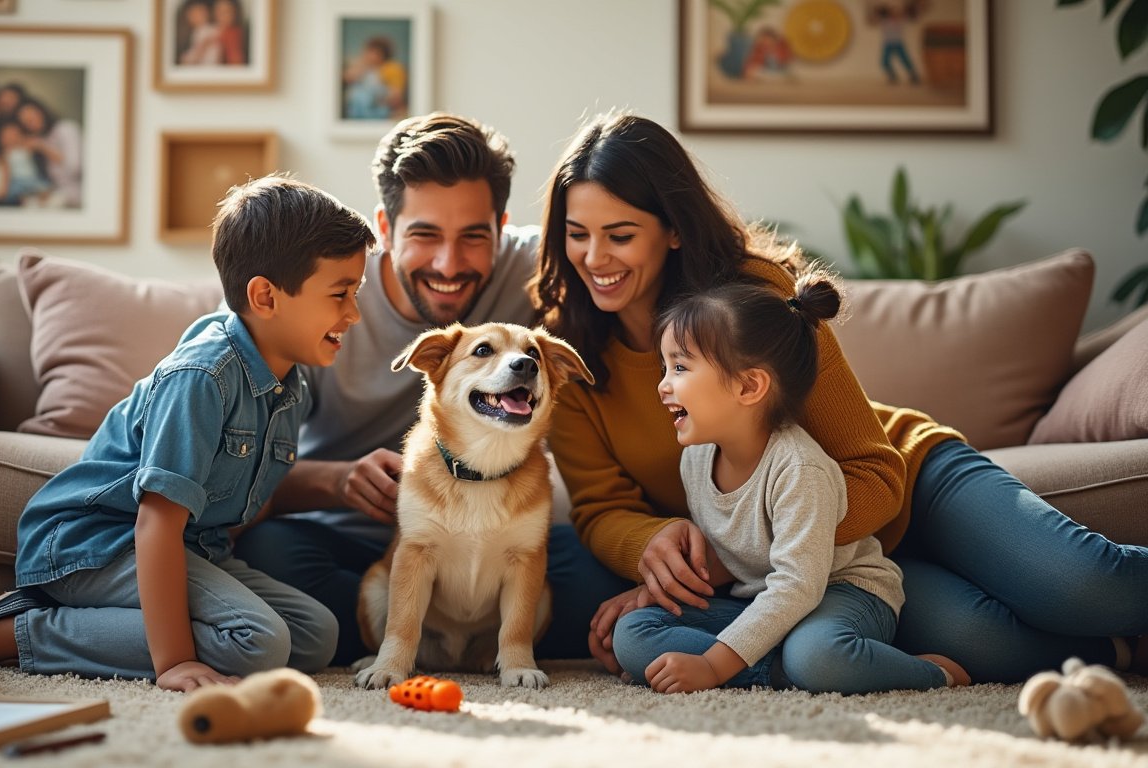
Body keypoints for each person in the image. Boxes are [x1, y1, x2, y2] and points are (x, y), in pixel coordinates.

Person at [532, 111, 1148, 686]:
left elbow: (871, 465)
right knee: (974, 637)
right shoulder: (565, 353)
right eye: (576, 234)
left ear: (671, 230)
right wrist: (655, 551)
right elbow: (599, 506)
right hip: (825, 567)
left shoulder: (752, 297)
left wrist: (738, 552)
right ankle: (1114, 654)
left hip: (904, 482)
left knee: (1085, 587)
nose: (594, 257)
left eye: (619, 234)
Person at [233, 112, 634, 668]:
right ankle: (400, 633)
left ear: (502, 226)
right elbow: (231, 465)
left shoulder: (541, 267)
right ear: (385, 227)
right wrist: (336, 481)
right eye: (424, 235)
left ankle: (474, 642)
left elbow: (627, 255)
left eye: (474, 237)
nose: (450, 264)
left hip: (497, 536)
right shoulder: (322, 297)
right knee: (270, 555)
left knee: (597, 587)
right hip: (347, 535)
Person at [0, 176, 375, 692]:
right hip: (98, 544)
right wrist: (174, 660)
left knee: (315, 634)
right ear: (265, 296)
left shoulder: (293, 387)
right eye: (340, 294)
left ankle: (107, 620)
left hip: (194, 549)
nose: (353, 313)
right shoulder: (202, 378)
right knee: (258, 643)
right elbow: (155, 524)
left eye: (355, 292)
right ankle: (9, 633)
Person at [613, 273, 968, 694]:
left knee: (819, 657)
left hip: (843, 592)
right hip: (762, 598)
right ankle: (786, 669)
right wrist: (659, 592)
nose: (663, 384)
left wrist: (710, 666)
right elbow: (732, 555)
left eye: (680, 367)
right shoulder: (696, 457)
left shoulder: (800, 469)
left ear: (748, 386)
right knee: (634, 633)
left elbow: (798, 586)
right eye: (665, 366)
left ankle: (932, 673)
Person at [14, 98, 83, 208]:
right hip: (56, 193)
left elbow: (75, 169)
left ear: (41, 112)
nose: (31, 124)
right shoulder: (42, 140)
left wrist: (44, 148)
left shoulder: (66, 128)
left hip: (77, 194)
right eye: (26, 123)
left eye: (32, 118)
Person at [0, 121, 53, 206]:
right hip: (16, 181)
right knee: (17, 194)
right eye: (6, 136)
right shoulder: (5, 154)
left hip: (31, 178)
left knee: (43, 189)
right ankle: (28, 201)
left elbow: (40, 147)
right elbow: (6, 171)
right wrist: (3, 186)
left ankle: (42, 201)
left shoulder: (26, 148)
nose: (11, 138)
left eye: (13, 134)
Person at [342, 36, 406, 120]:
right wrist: (362, 66)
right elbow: (348, 78)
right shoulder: (363, 68)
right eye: (368, 52)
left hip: (379, 112)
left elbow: (396, 95)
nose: (370, 56)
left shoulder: (391, 69)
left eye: (375, 53)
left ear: (383, 54)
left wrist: (380, 101)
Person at [179, 0, 222, 65]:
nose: (195, 17)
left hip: (209, 63)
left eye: (199, 13)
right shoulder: (196, 31)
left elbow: (204, 47)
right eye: (192, 14)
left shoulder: (210, 29)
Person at [213, 0, 247, 65]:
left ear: (235, 13)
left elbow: (236, 62)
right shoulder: (212, 30)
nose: (220, 15)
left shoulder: (233, 33)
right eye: (218, 10)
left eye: (226, 12)